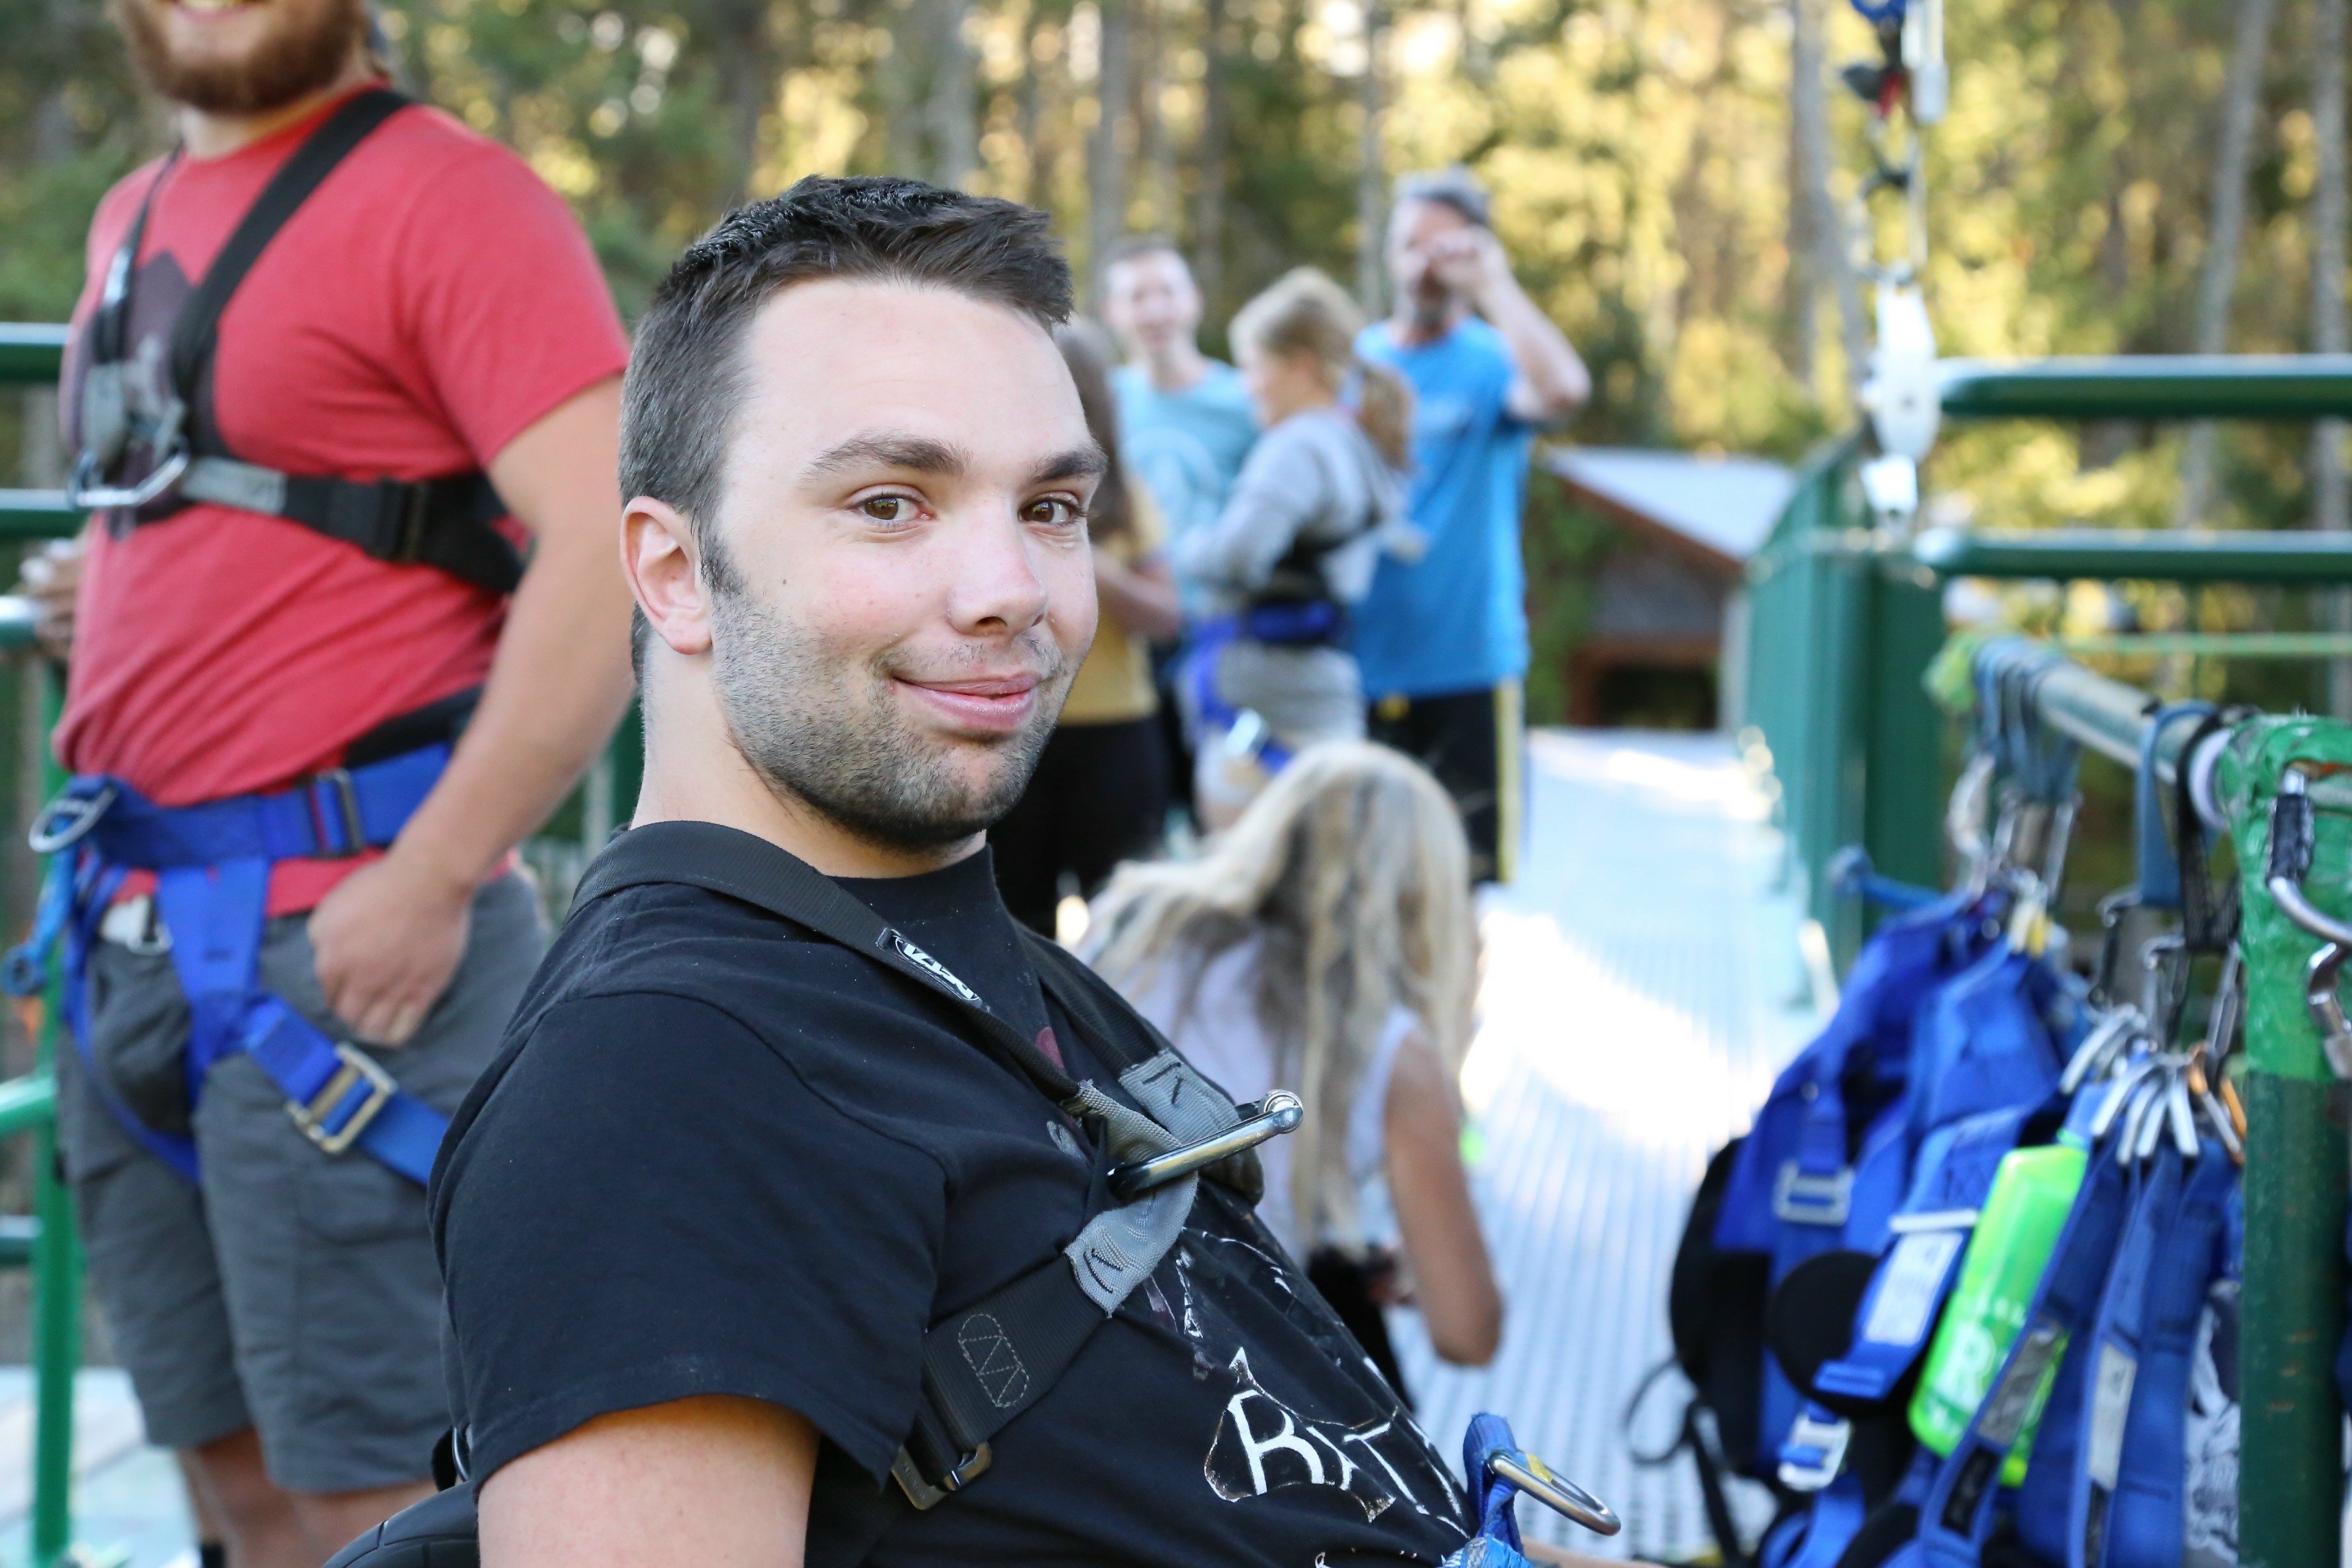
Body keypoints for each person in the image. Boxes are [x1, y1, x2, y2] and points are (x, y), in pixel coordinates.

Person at [433, 176, 1494, 1568]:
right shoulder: (662, 1083)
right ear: (676, 572)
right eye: (891, 503)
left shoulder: (982, 969)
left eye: (1050, 506)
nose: (1012, 589)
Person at [35, 2, 634, 1565]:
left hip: (350, 960)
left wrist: (434, 874)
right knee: (230, 1485)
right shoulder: (134, 210)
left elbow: (610, 551)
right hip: (130, 937)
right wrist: (112, 596)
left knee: (377, 1504)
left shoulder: (455, 200)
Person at [1088, 740, 1503, 1400]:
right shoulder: (1389, 1047)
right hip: (1218, 1363)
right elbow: (1467, 1332)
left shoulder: (1139, 924)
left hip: (1078, 1293)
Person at [1356, 166, 1590, 884]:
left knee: (1463, 885)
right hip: (1360, 665)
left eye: (1444, 248)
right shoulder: (1359, 364)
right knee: (1363, 884)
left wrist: (1492, 282)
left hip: (1467, 665)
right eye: (1410, 244)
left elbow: (1563, 391)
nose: (1423, 264)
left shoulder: (1493, 359)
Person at [1173, 267, 1418, 829]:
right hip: (1320, 693)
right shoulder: (1353, 439)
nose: (1247, 386)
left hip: (1266, 706)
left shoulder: (1298, 446)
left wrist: (1189, 549)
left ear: (1301, 366)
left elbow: (1239, 555)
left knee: (1243, 868)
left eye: (1255, 367)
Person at [988, 322, 1181, 936]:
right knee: (1016, 923)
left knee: (1130, 923)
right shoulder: (986, 493)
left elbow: (1168, 615)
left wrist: (1084, 560)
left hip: (1114, 731)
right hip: (1011, 726)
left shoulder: (1125, 497)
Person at [1099, 235, 1259, 567]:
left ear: (1196, 300)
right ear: (1110, 312)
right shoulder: (1101, 403)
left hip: (1227, 597)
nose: (1155, 312)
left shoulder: (1249, 400)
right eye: (1137, 297)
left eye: (1168, 292)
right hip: (1133, 596)